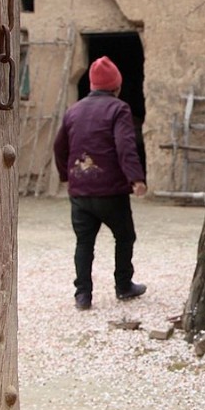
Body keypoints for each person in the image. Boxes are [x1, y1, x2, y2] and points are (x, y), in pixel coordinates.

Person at [53, 56, 148, 310]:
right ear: (116, 86)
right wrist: (136, 178)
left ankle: (83, 296)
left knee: (84, 243)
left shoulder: (73, 110)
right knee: (125, 236)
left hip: (80, 191)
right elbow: (125, 146)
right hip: (111, 191)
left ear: (92, 86)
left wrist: (66, 175)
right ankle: (123, 285)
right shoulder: (119, 109)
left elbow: (59, 146)